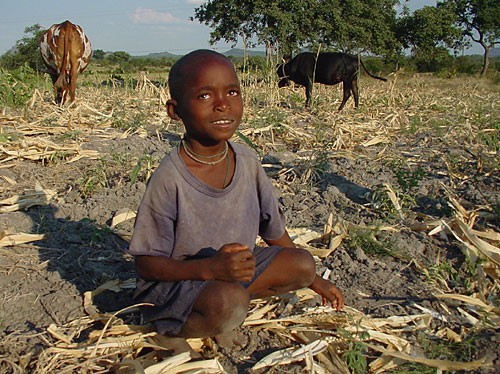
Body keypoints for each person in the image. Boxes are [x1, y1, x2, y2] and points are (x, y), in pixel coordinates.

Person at [128, 49, 344, 354]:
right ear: (175, 111)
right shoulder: (170, 177)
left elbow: (273, 232)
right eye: (204, 96)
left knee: (301, 263)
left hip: (228, 274)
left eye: (232, 92)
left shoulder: (247, 160)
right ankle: (173, 328)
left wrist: (314, 281)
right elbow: (146, 265)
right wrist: (211, 269)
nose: (222, 105)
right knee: (228, 302)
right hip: (179, 283)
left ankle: (223, 314)